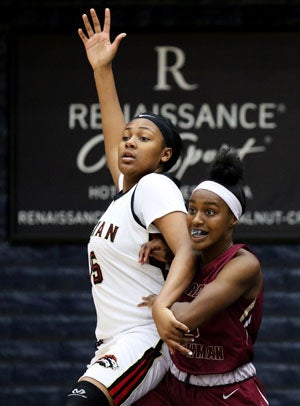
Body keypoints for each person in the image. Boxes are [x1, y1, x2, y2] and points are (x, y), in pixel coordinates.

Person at [65, 8, 196, 406]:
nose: (129, 142)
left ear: (165, 154)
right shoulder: (128, 194)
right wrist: (102, 70)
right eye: (127, 137)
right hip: (115, 338)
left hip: (145, 335)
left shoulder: (155, 185)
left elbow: (188, 249)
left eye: (143, 137)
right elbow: (112, 125)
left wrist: (161, 304)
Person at [134, 146, 269, 405]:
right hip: (174, 384)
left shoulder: (243, 264)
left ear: (232, 219)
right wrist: (170, 254)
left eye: (209, 212)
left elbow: (186, 318)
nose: (196, 220)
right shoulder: (188, 258)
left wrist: (159, 302)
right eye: (192, 209)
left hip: (227, 391)